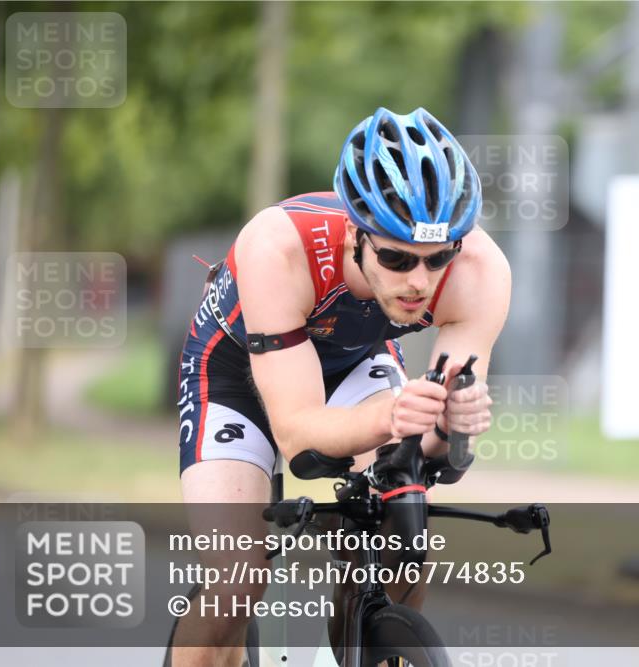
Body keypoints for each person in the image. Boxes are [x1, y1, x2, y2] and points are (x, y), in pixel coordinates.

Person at [172, 107, 511, 666]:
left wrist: (451, 427)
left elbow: (435, 455)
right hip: (231, 370)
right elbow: (298, 432)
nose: (418, 282)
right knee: (237, 577)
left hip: (356, 357)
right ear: (354, 232)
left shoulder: (479, 272)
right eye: (397, 257)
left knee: (402, 538)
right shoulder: (278, 248)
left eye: (436, 259)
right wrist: (394, 416)